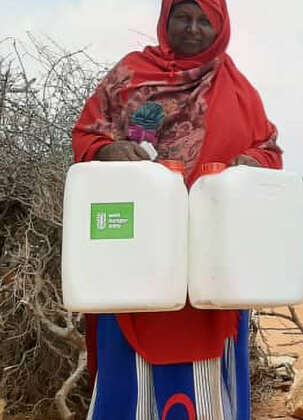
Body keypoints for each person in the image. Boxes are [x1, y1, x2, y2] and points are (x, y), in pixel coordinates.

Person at [72, 0, 282, 418]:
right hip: (133, 258)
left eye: (206, 20)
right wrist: (108, 149)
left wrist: (249, 163)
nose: (193, 29)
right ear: (165, 20)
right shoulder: (130, 75)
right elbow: (87, 135)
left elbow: (269, 150)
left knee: (201, 381)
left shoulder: (238, 89)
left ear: (221, 28)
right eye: (183, 17)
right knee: (129, 377)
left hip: (209, 267)